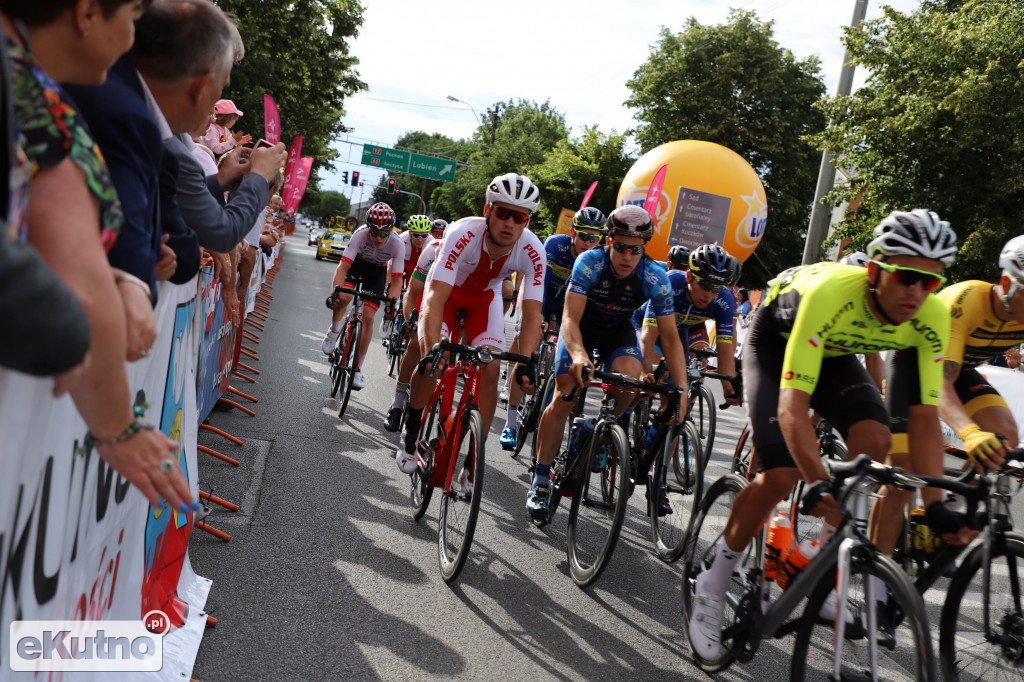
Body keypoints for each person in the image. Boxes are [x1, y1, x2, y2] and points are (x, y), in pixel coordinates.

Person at [688, 209, 960, 661]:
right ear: (875, 271)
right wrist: (815, 479)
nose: (917, 292)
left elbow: (925, 418)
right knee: (781, 474)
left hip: (836, 353)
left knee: (876, 444)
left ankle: (816, 557)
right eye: (907, 277)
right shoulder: (832, 294)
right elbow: (793, 406)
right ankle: (713, 581)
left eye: (929, 282)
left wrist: (933, 505)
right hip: (776, 341)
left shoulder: (930, 317)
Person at [2, 0, 194, 511]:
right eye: (131, 16)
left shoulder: (32, 82)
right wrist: (117, 426)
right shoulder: (21, 83)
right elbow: (74, 288)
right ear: (86, 12)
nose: (133, 40)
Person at [527, 204, 689, 519]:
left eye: (636, 250)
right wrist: (577, 354)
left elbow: (669, 338)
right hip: (581, 329)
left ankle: (603, 428)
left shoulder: (655, 276)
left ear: (644, 248)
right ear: (609, 240)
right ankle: (541, 477)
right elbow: (570, 318)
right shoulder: (590, 262)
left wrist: (680, 389)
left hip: (618, 331)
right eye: (620, 247)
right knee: (564, 396)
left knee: (633, 379)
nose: (627, 256)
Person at [395, 172, 545, 476]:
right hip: (448, 297)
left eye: (520, 217)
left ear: (527, 221)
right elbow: (435, 297)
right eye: (503, 213)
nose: (510, 223)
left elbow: (530, 316)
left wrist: (527, 362)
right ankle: (410, 433)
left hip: (484, 300)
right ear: (488, 210)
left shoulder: (532, 250)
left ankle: (472, 461)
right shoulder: (463, 232)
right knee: (436, 361)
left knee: (490, 369)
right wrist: (430, 349)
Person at [498, 205, 607, 450]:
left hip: (571, 307)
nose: (589, 242)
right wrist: (538, 317)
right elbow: (541, 284)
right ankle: (511, 422)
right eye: (584, 236)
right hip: (544, 296)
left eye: (595, 237)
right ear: (573, 233)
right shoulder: (554, 246)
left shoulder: (598, 261)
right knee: (524, 345)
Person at [639, 243, 742, 403]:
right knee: (654, 376)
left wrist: (728, 385)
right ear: (689, 276)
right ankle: (624, 415)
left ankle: (665, 426)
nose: (709, 294)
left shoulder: (725, 299)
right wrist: (645, 369)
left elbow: (725, 350)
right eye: (705, 285)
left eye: (716, 288)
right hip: (648, 326)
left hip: (679, 331)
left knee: (678, 392)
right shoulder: (671, 281)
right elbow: (649, 335)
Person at [321, 202, 405, 391]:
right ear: (368, 228)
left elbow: (397, 281)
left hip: (377, 273)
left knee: (368, 318)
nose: (378, 237)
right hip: (356, 265)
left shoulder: (398, 244)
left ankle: (357, 368)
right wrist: (335, 292)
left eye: (384, 233)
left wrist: (392, 304)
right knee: (344, 298)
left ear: (391, 230)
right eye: (374, 232)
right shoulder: (360, 235)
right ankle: (334, 331)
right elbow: (342, 267)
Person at [384, 233, 444, 431]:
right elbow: (411, 293)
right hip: (427, 295)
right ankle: (397, 404)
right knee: (416, 343)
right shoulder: (432, 250)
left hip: (453, 301)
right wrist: (411, 321)